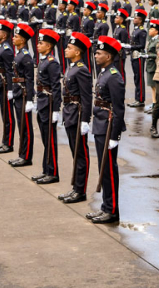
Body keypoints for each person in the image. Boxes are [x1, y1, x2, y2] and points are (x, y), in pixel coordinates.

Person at [85, 36, 126, 224]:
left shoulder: (114, 76)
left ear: (108, 56)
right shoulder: (104, 72)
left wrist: (115, 135)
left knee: (109, 170)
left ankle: (112, 210)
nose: (96, 55)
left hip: (109, 127)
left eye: (99, 53)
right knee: (103, 169)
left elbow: (118, 108)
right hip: (101, 124)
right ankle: (105, 207)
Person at [58, 32, 93, 203]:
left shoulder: (82, 70)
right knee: (75, 152)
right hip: (70, 113)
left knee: (81, 154)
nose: (65, 50)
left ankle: (81, 190)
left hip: (78, 115)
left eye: (69, 48)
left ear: (78, 52)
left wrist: (85, 120)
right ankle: (75, 188)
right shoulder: (72, 66)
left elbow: (87, 97)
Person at [32, 29, 63, 184]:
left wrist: (56, 110)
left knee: (50, 140)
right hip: (42, 103)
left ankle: (53, 173)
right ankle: (46, 170)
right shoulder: (44, 60)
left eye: (41, 43)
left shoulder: (52, 63)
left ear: (49, 46)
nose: (38, 45)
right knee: (46, 140)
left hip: (49, 105)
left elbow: (56, 87)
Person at [8, 23, 36, 167]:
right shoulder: (19, 53)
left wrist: (30, 99)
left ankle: (26, 157)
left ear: (23, 40)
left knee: (26, 127)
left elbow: (30, 79)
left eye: (16, 37)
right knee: (21, 125)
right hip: (18, 92)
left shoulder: (25, 56)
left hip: (24, 94)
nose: (13, 38)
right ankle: (21, 154)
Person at [0, 20, 16, 154]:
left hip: (6, 86)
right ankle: (4, 141)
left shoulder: (6, 50)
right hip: (1, 84)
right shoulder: (0, 47)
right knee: (4, 115)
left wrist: (11, 89)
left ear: (4, 36)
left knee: (8, 117)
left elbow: (9, 71)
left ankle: (9, 143)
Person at [127, 10, 148, 108]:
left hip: (138, 56)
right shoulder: (136, 29)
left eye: (136, 18)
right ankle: (137, 98)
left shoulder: (142, 31)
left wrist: (130, 47)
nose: (134, 19)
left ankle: (140, 99)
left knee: (139, 78)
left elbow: (142, 45)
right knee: (136, 77)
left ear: (140, 20)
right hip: (133, 55)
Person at [144, 19, 159, 113]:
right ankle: (154, 104)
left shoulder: (158, 41)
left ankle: (156, 106)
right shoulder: (153, 40)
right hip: (150, 66)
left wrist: (148, 55)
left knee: (156, 87)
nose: (149, 30)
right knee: (152, 87)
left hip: (155, 66)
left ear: (157, 31)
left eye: (151, 29)